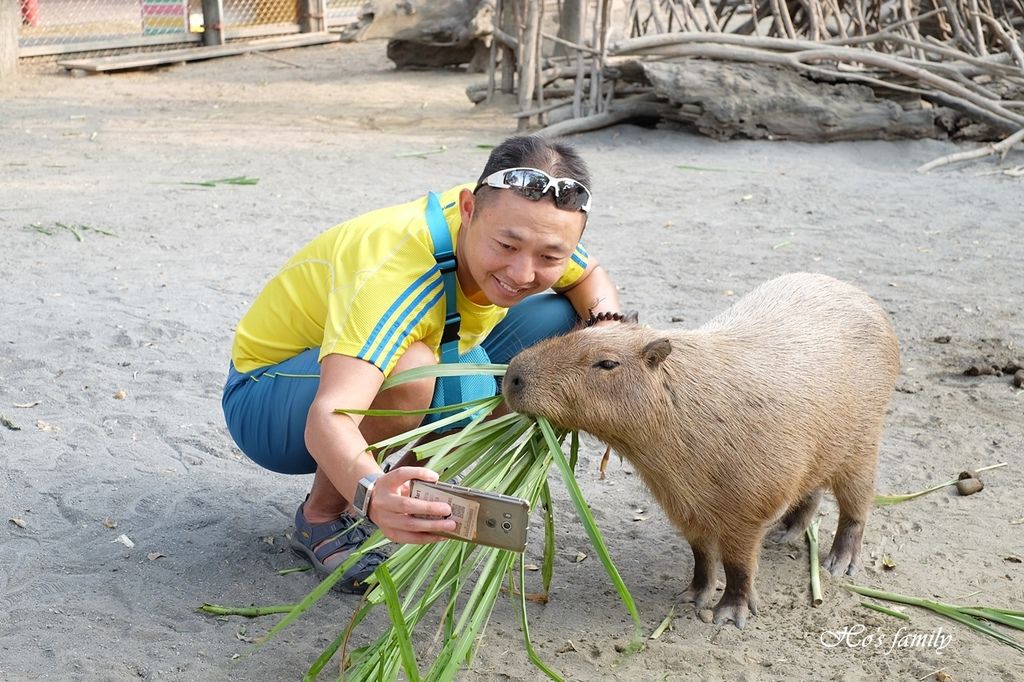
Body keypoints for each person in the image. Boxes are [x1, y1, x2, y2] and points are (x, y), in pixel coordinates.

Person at [222, 136, 622, 593]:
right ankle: (323, 516)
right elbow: (330, 416)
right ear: (469, 209)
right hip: (269, 399)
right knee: (414, 370)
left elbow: (590, 277)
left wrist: (608, 332)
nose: (523, 273)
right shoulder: (395, 273)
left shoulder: (519, 216)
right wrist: (371, 494)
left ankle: (415, 488)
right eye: (507, 247)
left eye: (550, 257)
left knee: (572, 327)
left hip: (425, 347)